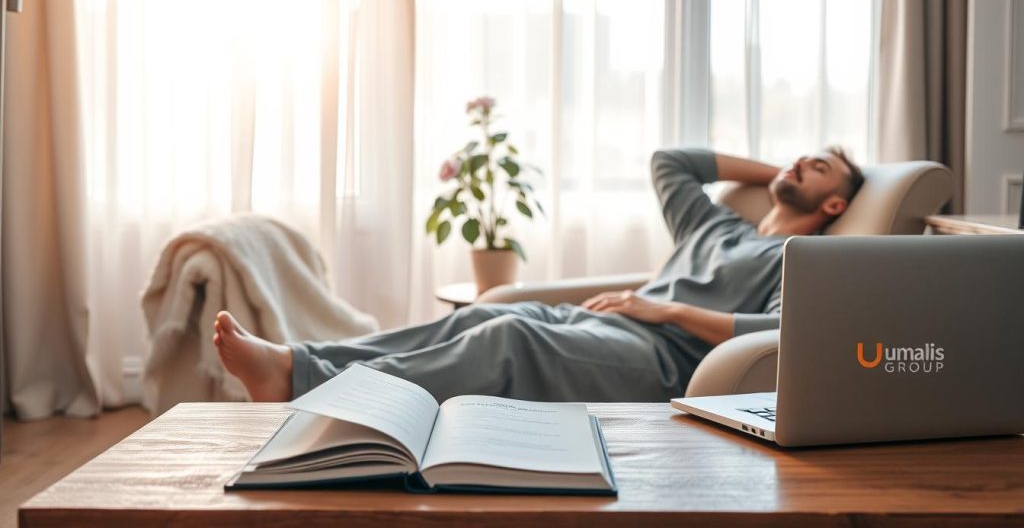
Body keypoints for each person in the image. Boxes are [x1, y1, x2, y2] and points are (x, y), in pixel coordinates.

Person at [214, 147, 864, 403]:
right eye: (806, 155)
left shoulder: (800, 260)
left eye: (822, 169)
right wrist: (777, 167)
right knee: (481, 314)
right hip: (609, 325)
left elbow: (776, 332)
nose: (807, 161)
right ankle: (298, 364)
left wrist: (665, 312)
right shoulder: (718, 226)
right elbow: (671, 161)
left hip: (666, 357)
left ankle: (311, 388)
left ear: (835, 205)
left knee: (507, 341)